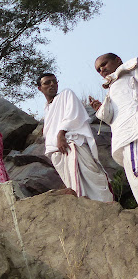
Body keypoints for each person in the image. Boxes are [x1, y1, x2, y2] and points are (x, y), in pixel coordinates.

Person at [38, 73, 112, 201]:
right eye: (47, 82)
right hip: (57, 152)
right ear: (40, 88)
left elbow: (73, 115)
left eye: (54, 82)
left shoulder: (66, 94)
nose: (52, 85)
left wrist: (61, 135)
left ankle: (106, 207)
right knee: (72, 185)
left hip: (71, 144)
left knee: (94, 177)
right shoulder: (47, 108)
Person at [89, 53, 138, 200]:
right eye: (98, 69)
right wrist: (100, 109)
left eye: (104, 64)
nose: (102, 70)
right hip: (124, 138)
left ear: (118, 60)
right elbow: (111, 117)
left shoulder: (131, 69)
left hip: (133, 133)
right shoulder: (112, 88)